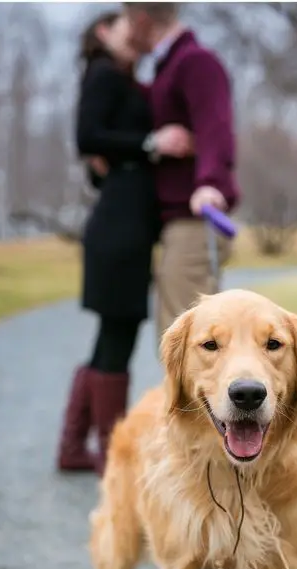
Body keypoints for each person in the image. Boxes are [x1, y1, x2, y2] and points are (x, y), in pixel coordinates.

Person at [56, 12, 193, 475]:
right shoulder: (102, 73)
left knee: (112, 335)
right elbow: (86, 137)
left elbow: (104, 152)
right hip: (119, 230)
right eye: (122, 25)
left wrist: (126, 154)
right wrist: (153, 142)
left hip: (124, 223)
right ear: (101, 32)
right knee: (119, 332)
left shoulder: (124, 79)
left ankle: (74, 448)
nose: (133, 32)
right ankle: (112, 454)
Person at [124, 2, 240, 341]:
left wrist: (210, 183)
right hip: (178, 225)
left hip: (195, 221)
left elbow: (215, 126)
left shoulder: (195, 62)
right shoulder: (169, 67)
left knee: (188, 349)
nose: (127, 32)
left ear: (142, 20)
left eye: (127, 21)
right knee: (180, 345)